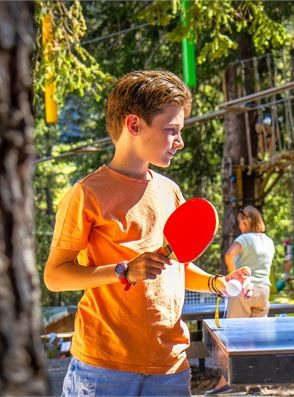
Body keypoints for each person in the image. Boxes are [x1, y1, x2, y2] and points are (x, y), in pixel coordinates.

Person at [44, 70, 253, 397]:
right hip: (104, 368)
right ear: (134, 125)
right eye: (172, 130)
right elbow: (55, 276)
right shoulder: (87, 194)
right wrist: (123, 271)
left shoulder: (170, 191)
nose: (180, 141)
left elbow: (177, 266)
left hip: (169, 367)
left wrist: (217, 283)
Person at [206, 205, 275, 396]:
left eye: (240, 222)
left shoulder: (244, 239)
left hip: (245, 290)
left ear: (246, 220)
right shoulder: (268, 241)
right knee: (255, 339)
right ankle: (255, 384)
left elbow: (229, 254)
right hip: (263, 292)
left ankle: (224, 383)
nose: (239, 225)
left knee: (233, 338)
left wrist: (233, 277)